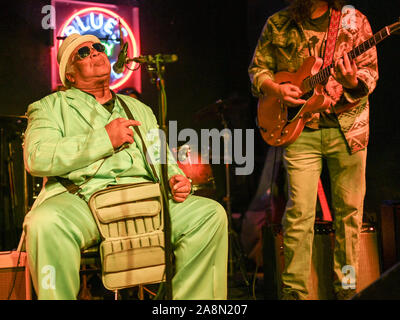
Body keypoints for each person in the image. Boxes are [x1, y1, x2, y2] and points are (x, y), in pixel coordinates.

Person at [23, 33, 228, 300]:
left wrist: (175, 178)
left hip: (144, 197)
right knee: (44, 222)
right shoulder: (49, 107)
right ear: (69, 75)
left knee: (209, 215)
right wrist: (103, 139)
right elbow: (37, 157)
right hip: (82, 199)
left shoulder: (137, 108)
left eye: (97, 47)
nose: (95, 52)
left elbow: (160, 156)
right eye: (83, 53)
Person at [248, 0, 378, 300]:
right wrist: (276, 89)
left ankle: (347, 290)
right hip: (300, 130)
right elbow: (259, 70)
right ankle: (296, 295)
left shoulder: (354, 21)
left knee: (349, 218)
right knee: (298, 216)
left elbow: (370, 74)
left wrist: (352, 81)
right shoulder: (278, 23)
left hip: (348, 131)